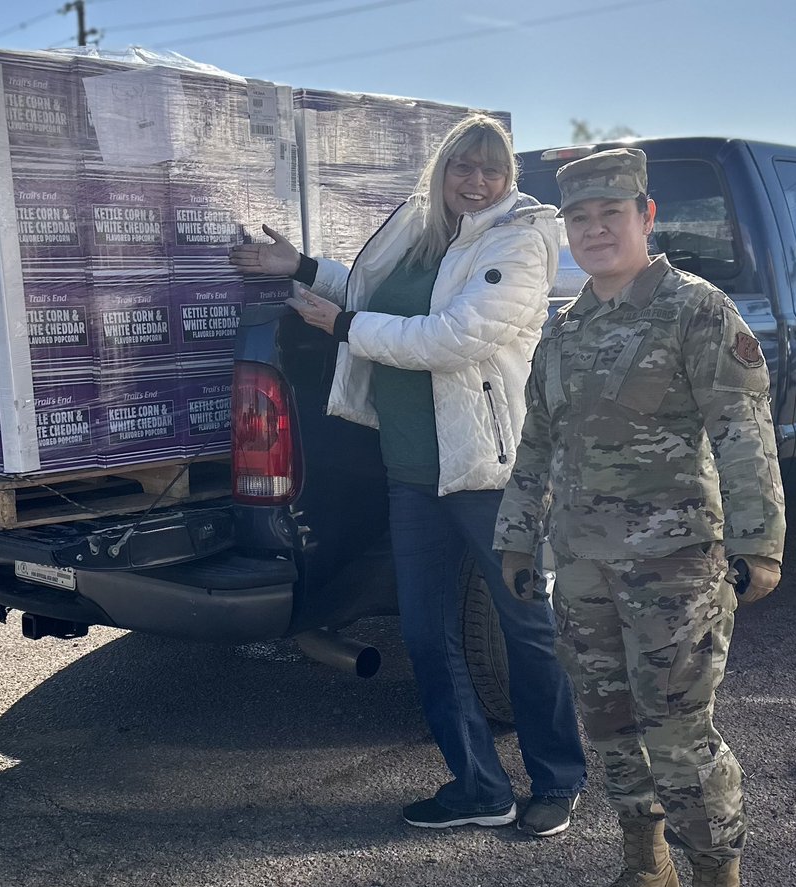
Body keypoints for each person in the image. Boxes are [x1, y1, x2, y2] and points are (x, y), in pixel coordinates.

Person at [230, 114, 587, 837]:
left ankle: (558, 778)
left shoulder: (521, 238)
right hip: (412, 470)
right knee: (426, 633)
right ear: (442, 169)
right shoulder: (423, 228)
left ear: (510, 175)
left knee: (524, 625)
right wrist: (300, 267)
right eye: (463, 166)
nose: (476, 180)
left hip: (490, 471)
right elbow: (369, 289)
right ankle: (479, 785)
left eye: (491, 168)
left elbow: (457, 335)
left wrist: (342, 328)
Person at [495, 148, 785, 887]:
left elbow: (741, 427)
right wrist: (519, 537)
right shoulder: (567, 324)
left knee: (680, 734)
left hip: (675, 565)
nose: (593, 231)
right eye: (578, 221)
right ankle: (646, 868)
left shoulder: (696, 310)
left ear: (645, 216)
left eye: (609, 216)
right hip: (584, 564)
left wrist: (758, 544)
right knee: (609, 723)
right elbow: (538, 444)